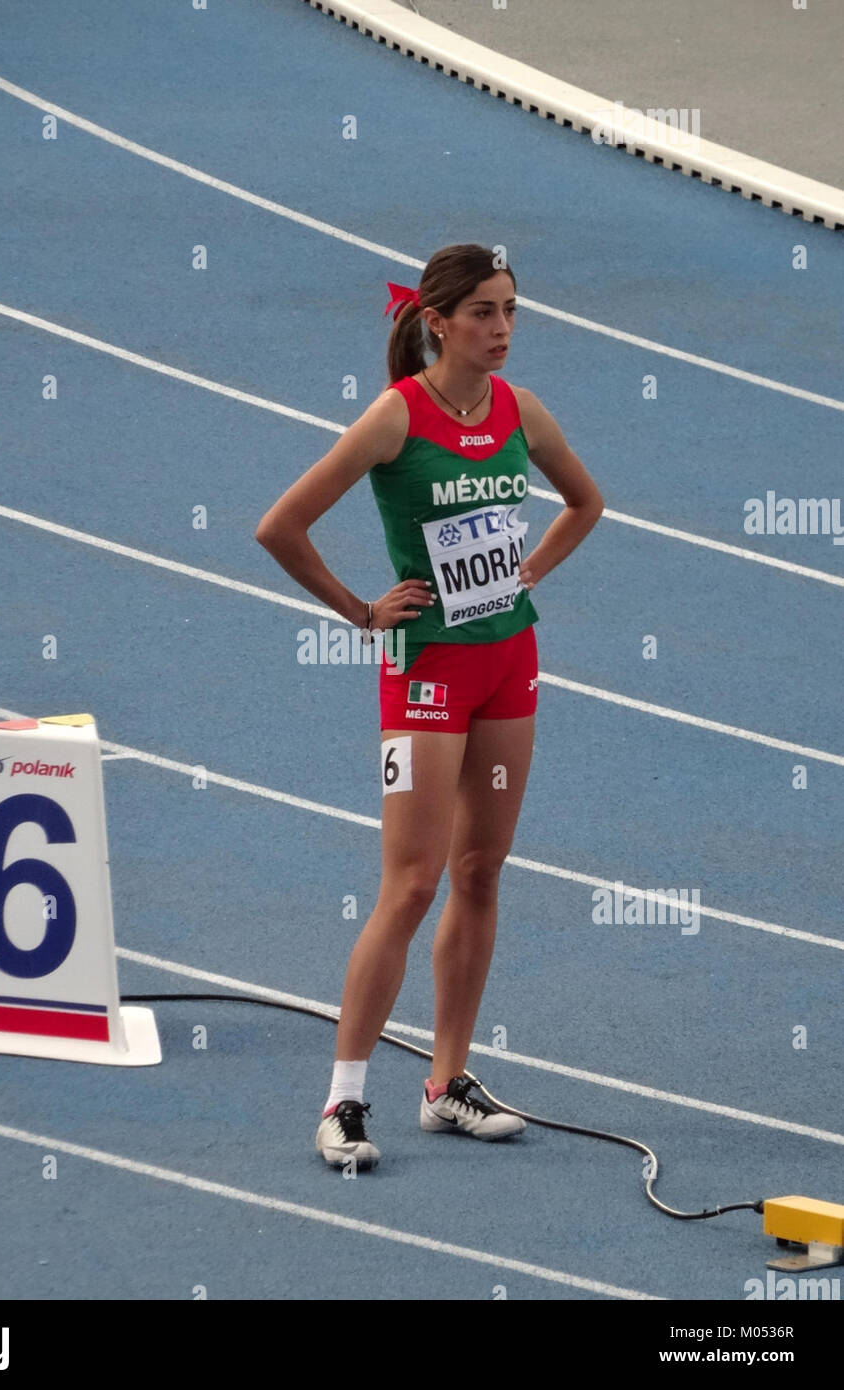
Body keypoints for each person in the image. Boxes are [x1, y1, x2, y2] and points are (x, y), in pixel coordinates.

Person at [256, 243, 603, 1169]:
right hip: (427, 673)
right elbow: (279, 527)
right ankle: (342, 1102)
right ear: (436, 322)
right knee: (410, 884)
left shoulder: (520, 412)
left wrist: (530, 571)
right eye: (484, 312)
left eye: (512, 311)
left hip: (509, 662)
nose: (502, 330)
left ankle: (446, 1083)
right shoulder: (394, 418)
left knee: (481, 869)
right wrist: (361, 611)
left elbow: (585, 503)